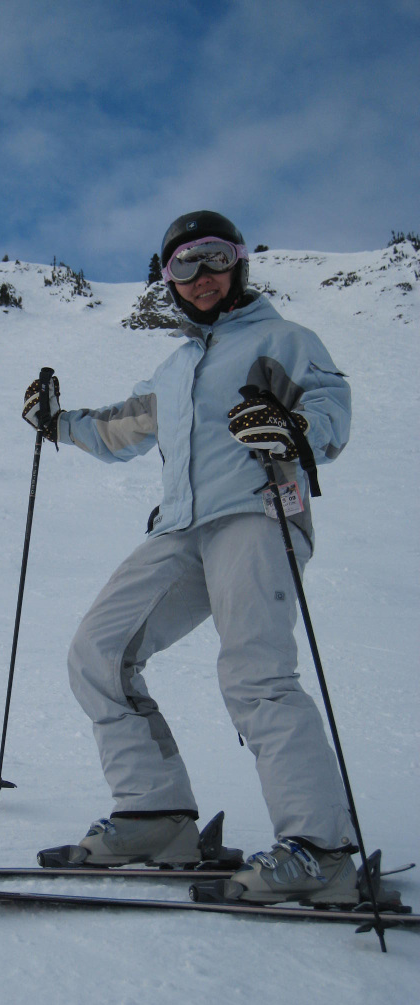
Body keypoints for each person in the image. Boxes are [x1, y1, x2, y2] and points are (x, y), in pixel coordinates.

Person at [22, 210, 359, 905]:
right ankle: (155, 817)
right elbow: (125, 426)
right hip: (180, 529)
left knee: (256, 674)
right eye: (184, 264)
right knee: (98, 652)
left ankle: (320, 850)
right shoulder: (176, 369)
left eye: (214, 258)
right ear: (168, 278)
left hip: (258, 515)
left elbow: (329, 409)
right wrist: (56, 423)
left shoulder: (283, 340)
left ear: (238, 263)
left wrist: (292, 428)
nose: (202, 277)